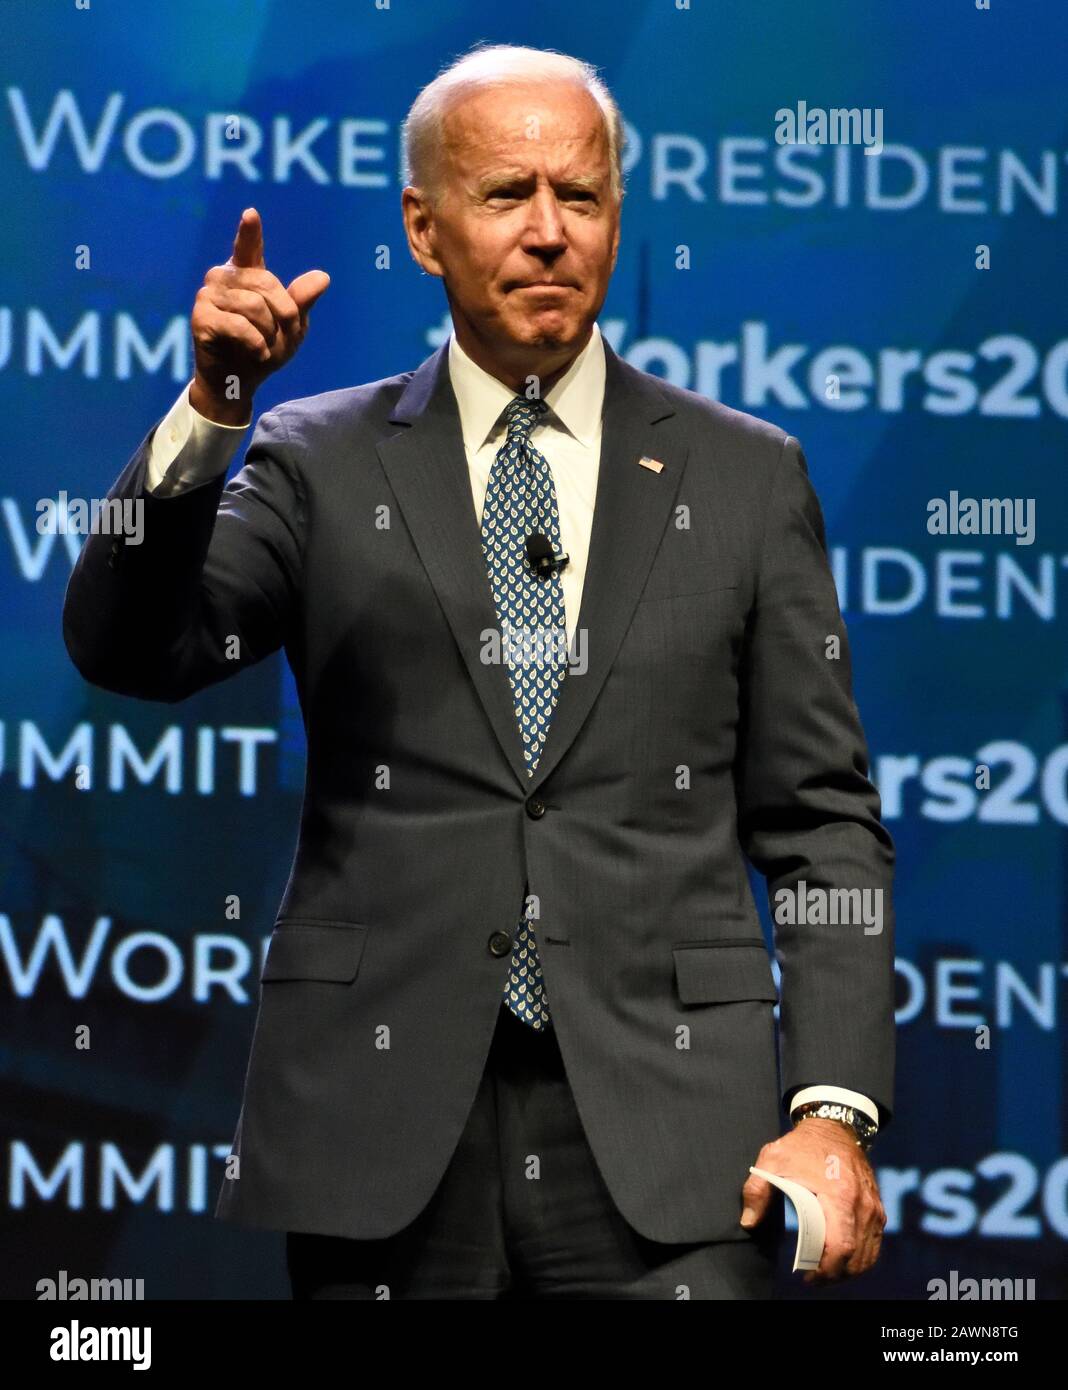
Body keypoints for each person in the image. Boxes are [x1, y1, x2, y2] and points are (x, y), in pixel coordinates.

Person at [62, 42, 894, 1300]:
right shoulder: (314, 461)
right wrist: (212, 409)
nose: (552, 232)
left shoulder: (745, 477)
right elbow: (133, 648)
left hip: (677, 1146)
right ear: (425, 226)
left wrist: (834, 1110)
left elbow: (823, 821)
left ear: (619, 216)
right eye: (509, 195)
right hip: (384, 1133)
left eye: (584, 195)